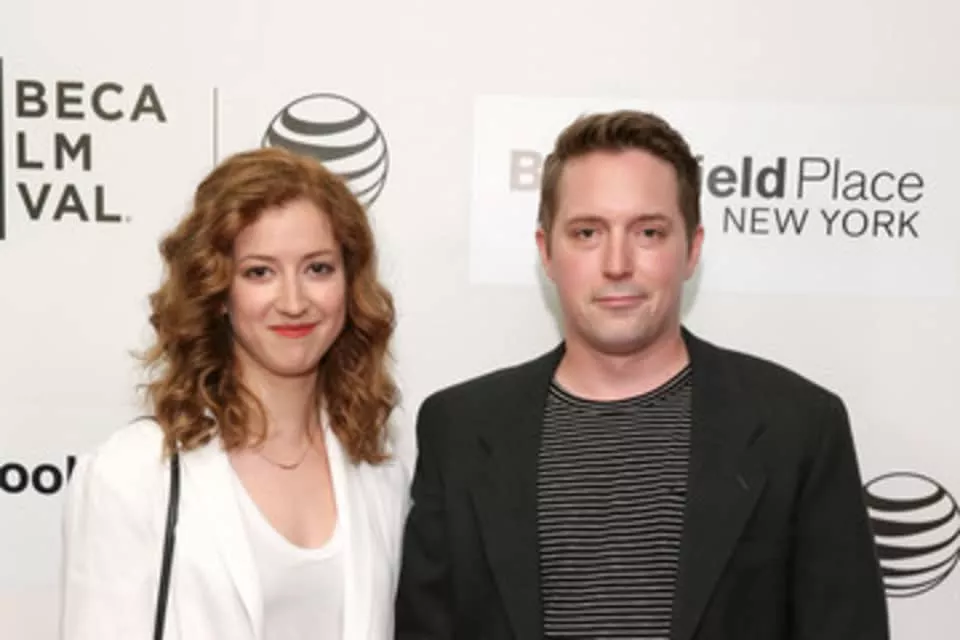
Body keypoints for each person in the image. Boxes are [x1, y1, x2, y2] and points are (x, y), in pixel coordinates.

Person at [394, 110, 889, 639]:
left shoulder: (798, 427)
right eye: (587, 232)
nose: (617, 263)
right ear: (546, 252)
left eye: (648, 232)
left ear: (692, 249)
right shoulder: (460, 429)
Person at [60, 147, 409, 640]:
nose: (294, 302)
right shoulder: (132, 474)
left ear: (350, 285)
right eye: (259, 272)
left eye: (318, 269)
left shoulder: (377, 472)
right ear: (218, 291)